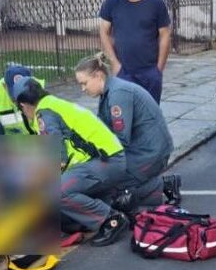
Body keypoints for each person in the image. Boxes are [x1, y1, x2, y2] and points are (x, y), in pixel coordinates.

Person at [11, 77, 130, 246]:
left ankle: (112, 219)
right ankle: (116, 203)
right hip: (109, 159)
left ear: (23, 105)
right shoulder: (54, 104)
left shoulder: (44, 114)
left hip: (104, 162)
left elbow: (57, 158)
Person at [74, 53, 181, 211]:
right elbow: (103, 130)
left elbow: (119, 140)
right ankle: (147, 191)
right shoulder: (110, 92)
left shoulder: (118, 94)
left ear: (98, 76)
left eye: (84, 83)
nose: (83, 89)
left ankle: (163, 185)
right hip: (142, 149)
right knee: (101, 178)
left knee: (105, 181)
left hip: (150, 154)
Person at [99, 0, 172, 103]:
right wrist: (115, 63)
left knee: (149, 117)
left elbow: (165, 35)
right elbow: (104, 32)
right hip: (123, 72)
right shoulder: (112, 2)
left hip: (149, 72)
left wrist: (158, 69)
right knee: (124, 117)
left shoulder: (156, 3)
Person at [0, 64, 45, 135]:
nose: (20, 101)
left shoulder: (40, 91)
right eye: (15, 94)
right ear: (4, 86)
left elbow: (46, 127)